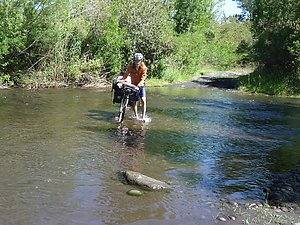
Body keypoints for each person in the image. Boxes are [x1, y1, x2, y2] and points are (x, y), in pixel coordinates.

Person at [119, 53, 148, 120]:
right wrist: (121, 81)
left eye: (139, 60)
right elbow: (125, 75)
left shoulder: (144, 68)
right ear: (134, 61)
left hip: (141, 85)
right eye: (136, 60)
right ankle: (136, 115)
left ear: (141, 60)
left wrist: (138, 86)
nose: (137, 62)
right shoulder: (130, 67)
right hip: (133, 85)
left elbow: (143, 79)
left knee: (143, 100)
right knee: (134, 101)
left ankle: (143, 116)